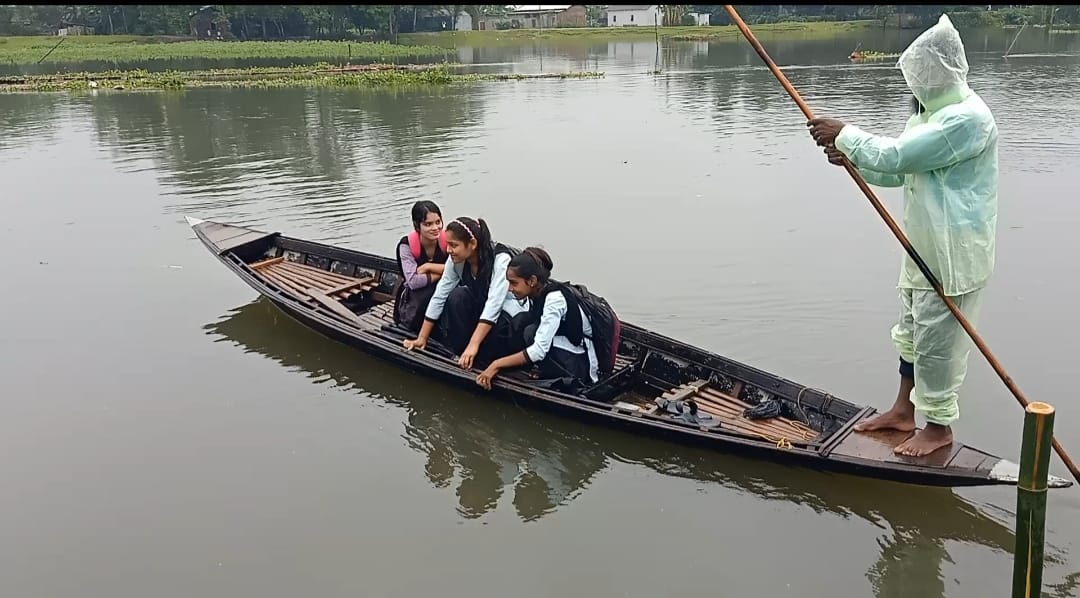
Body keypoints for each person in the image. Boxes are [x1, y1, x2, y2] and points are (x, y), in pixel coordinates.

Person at [806, 14, 998, 457]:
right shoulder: (932, 117)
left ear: (939, 72)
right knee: (912, 332)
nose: (915, 87)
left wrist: (847, 134)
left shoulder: (966, 120)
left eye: (921, 77)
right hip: (922, 246)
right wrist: (853, 160)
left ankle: (938, 427)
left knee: (938, 344)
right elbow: (899, 170)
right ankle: (903, 410)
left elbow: (895, 155)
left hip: (953, 253)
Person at [403, 217, 525, 370]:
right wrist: (422, 338)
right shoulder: (457, 260)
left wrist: (474, 345)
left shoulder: (500, 260)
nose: (448, 250)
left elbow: (494, 305)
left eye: (454, 245)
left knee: (500, 326)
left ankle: (484, 357)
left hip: (506, 313)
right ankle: (462, 352)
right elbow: (440, 295)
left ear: (472, 244)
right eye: (448, 244)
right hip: (482, 306)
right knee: (457, 296)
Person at [475, 247, 599, 391]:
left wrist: (497, 364)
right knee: (519, 321)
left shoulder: (554, 299)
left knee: (530, 331)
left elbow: (539, 350)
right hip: (559, 351)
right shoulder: (537, 293)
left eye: (514, 283)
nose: (509, 289)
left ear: (532, 281)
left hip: (578, 365)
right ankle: (530, 368)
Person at [393, 200, 448, 333]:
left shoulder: (447, 241)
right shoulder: (406, 246)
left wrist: (429, 266)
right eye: (428, 224)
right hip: (414, 299)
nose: (435, 228)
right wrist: (445, 272)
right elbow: (413, 282)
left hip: (444, 290)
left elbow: (461, 270)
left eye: (438, 222)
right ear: (417, 226)